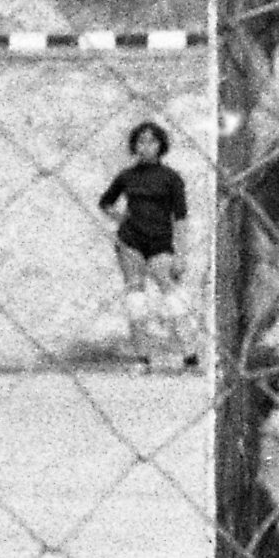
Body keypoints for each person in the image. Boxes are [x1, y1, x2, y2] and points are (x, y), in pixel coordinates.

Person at [100, 117, 193, 372]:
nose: (145, 146)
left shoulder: (171, 178)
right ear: (134, 146)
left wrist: (181, 254)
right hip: (131, 241)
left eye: (151, 141)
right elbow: (106, 202)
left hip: (160, 241)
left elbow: (181, 218)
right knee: (135, 296)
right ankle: (142, 356)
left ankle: (189, 352)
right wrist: (120, 217)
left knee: (170, 291)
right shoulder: (127, 176)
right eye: (140, 141)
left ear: (160, 145)